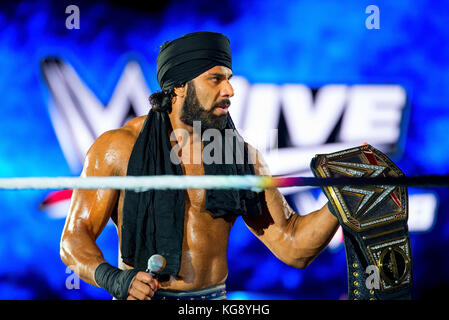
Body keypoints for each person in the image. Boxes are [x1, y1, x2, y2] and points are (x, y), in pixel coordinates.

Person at [60, 31, 339, 300]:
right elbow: (73, 240)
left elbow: (293, 246)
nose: (229, 89)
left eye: (228, 79)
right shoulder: (117, 149)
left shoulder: (241, 158)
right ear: (179, 86)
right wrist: (116, 280)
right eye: (215, 79)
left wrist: (340, 201)